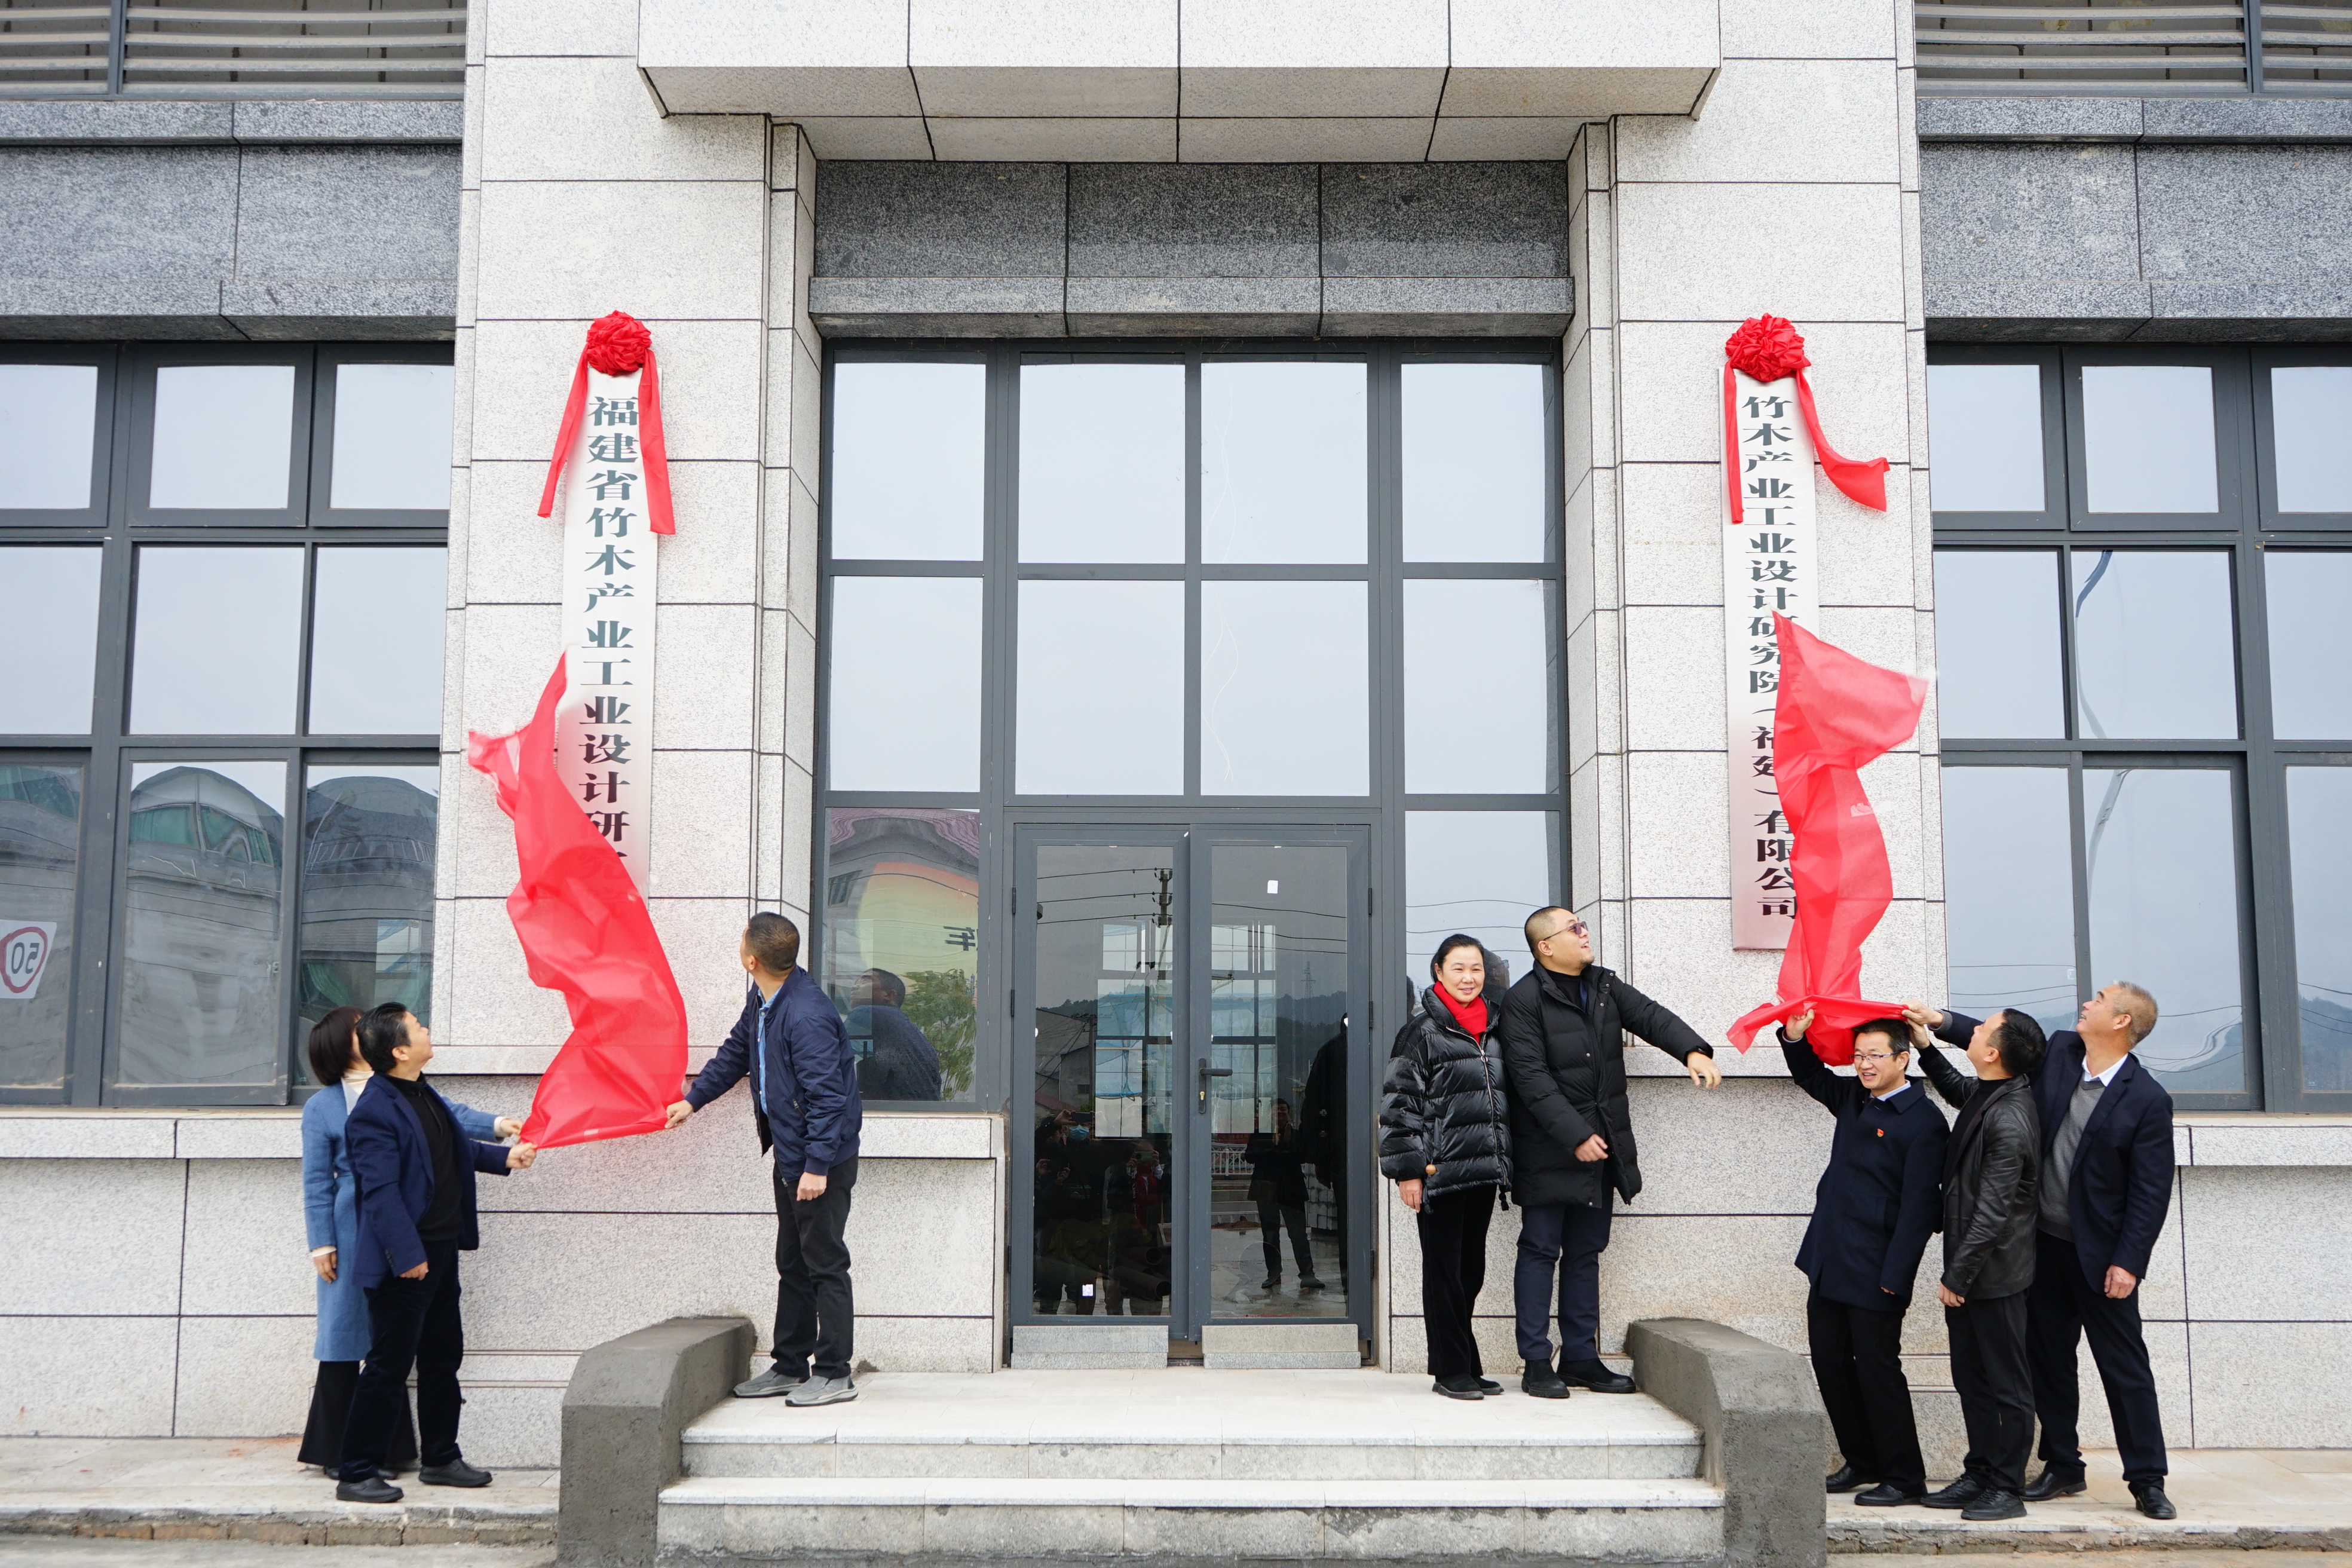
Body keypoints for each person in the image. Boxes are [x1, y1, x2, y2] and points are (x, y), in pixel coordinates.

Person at [1909, 984, 2178, 1520]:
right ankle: (2062, 1464)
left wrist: (2130, 1262)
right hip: (2043, 1248)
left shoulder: (2147, 1099)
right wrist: (1940, 1022)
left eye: (2100, 999)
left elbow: (2150, 1191)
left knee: (2124, 1369)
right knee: (2048, 1361)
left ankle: (2147, 1479)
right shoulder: (2059, 1053)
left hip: (2103, 1260)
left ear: (2122, 1021)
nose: (2088, 1002)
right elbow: (1998, 1049)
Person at [1499, 906, 1720, 1398]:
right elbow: (1530, 1079)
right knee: (1539, 1250)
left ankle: (1581, 1356)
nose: (1584, 934)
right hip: (1550, 1149)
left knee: (1586, 1253)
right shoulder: (1523, 1001)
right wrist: (1574, 1133)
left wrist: (1692, 1050)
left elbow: (1651, 1017)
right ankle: (1537, 1361)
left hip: (1601, 1146)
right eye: (1573, 929)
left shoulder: (1603, 985)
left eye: (1583, 926)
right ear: (1545, 947)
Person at [298, 1006, 516, 1474]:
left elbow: (451, 1138)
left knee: (440, 1356)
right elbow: (347, 1186)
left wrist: (505, 1153)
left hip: (434, 1244)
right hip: (385, 1241)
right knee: (379, 1357)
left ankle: (439, 1457)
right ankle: (354, 1465)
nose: (427, 1029)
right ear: (395, 1049)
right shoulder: (357, 1107)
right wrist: (335, 1244)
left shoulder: (418, 1091)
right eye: (417, 1027)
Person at [667, 912, 864, 1405]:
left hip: (822, 1162)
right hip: (793, 1153)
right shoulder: (764, 999)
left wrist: (817, 1167)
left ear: (751, 958)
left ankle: (835, 1372)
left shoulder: (805, 1014)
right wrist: (693, 1101)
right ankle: (790, 1366)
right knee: (792, 1262)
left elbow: (828, 1099)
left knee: (825, 1263)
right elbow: (737, 1053)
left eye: (741, 941)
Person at [1779, 1010, 1947, 1506]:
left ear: (1903, 1058)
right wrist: (1794, 1036)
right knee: (1830, 1363)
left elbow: (1920, 1211)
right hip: (1831, 1259)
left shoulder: (1924, 1122)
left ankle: (1904, 1476)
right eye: (1858, 1056)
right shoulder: (1855, 1099)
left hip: (1877, 1269)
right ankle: (1862, 1460)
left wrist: (1898, 1278)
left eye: (1875, 1055)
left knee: (1877, 1371)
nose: (1864, 1065)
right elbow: (1810, 1075)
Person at [1922, 1007, 2046, 1522]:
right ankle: (1979, 1472)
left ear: (1994, 1053)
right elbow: (1956, 1090)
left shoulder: (2011, 1117)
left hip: (1993, 1275)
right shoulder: (1989, 1094)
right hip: (1972, 1269)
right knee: (1971, 1377)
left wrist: (1958, 1275)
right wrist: (1926, 1046)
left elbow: (1993, 1212)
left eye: (1978, 1030)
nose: (1969, 1031)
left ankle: (2007, 1487)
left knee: (2007, 1384)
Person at [1380, 934, 1512, 1399]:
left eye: (1476, 969)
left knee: (1470, 1271)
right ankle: (1449, 1370)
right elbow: (1399, 1106)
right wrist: (1409, 1170)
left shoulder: (1494, 1028)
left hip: (1483, 1170)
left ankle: (1467, 1362)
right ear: (1438, 972)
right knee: (1445, 1273)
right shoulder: (1422, 1031)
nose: (1468, 978)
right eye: (1458, 969)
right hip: (1439, 1172)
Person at [1245, 1100, 1325, 1294]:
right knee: (1270, 1234)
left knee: (1298, 1234)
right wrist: (1272, 1146)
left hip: (1292, 1189)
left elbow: (1306, 1156)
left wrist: (1288, 1143)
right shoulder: (1260, 1135)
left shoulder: (1296, 1135)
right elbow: (1249, 1156)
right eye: (1276, 1109)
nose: (1280, 1112)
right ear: (1269, 1114)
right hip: (1266, 1188)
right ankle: (1273, 1274)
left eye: (1283, 1109)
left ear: (1289, 1113)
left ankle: (1307, 1274)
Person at [848, 967, 943, 1102]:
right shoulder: (911, 1030)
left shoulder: (866, 1014)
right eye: (856, 982)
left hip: (889, 1111)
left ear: (890, 995)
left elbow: (830, 1056)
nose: (854, 986)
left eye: (865, 981)